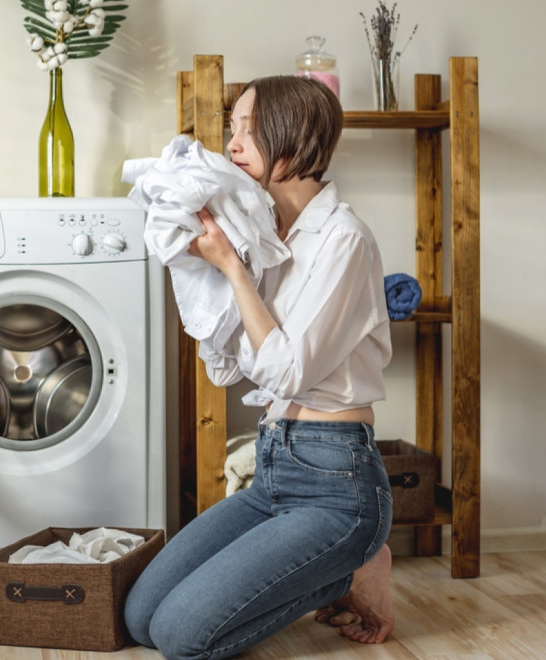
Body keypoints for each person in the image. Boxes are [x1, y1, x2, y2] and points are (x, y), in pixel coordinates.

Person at [123, 75, 395, 660]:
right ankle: (338, 567)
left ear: (294, 141)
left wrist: (233, 271)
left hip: (336, 482)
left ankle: (353, 567)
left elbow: (287, 373)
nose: (233, 144)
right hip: (275, 468)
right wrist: (213, 263)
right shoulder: (264, 237)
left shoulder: (344, 239)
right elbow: (227, 369)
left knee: (180, 638)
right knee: (141, 616)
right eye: (233, 128)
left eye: (250, 129)